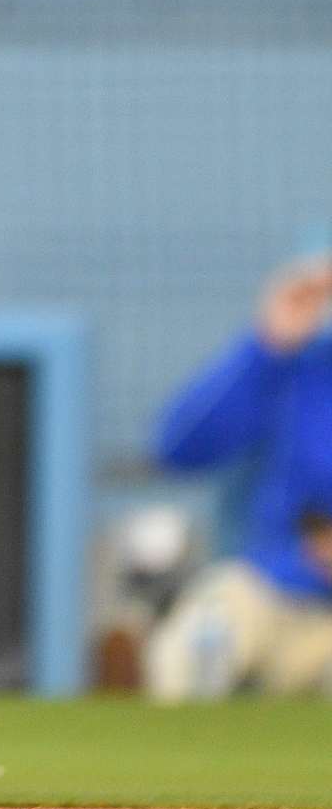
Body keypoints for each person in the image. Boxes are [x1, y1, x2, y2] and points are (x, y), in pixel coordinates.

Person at [143, 255, 332, 698]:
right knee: (200, 643)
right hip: (272, 592)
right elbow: (180, 449)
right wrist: (267, 345)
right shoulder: (295, 370)